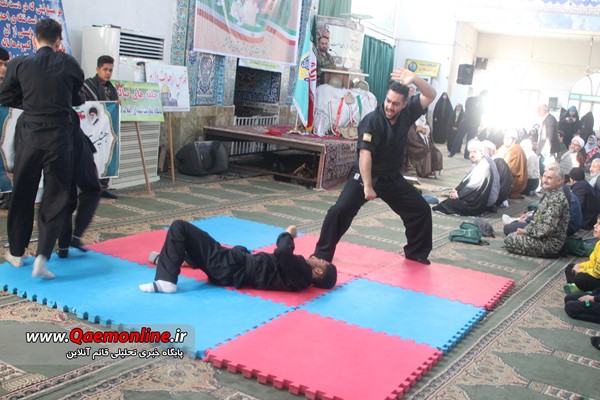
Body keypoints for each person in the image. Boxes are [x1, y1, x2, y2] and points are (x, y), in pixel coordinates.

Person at [312, 68, 437, 265]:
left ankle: (416, 254)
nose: (390, 106)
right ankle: (321, 255)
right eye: (388, 101)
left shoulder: (408, 113)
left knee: (420, 210)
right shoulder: (372, 121)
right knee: (340, 211)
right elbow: (365, 154)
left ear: (405, 104)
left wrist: (415, 78)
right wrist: (368, 186)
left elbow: (430, 94)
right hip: (365, 176)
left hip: (391, 177)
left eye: (395, 104)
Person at [0, 19, 84, 278]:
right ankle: (45, 255)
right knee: (56, 195)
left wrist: (30, 102)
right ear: (59, 42)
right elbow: (76, 97)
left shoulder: (20, 64)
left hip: (31, 137)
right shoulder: (70, 64)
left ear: (33, 39)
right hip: (59, 139)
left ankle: (16, 253)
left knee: (23, 192)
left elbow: (5, 96)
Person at [139, 221, 337, 293]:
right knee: (200, 240)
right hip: (231, 267)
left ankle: (166, 280)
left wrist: (288, 234)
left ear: (318, 271)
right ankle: (171, 259)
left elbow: (283, 252)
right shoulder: (300, 279)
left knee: (179, 227)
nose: (317, 257)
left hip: (230, 266)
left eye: (321, 261)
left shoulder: (302, 272)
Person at [56, 108, 102, 257]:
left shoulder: (36, 107)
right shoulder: (64, 102)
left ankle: (63, 247)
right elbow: (78, 98)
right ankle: (75, 238)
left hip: (57, 151)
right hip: (77, 150)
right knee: (92, 192)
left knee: (65, 199)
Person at [503, 163, 569, 258]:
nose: (545, 180)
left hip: (549, 243)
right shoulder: (550, 194)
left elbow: (546, 229)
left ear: (559, 181)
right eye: (544, 177)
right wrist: (526, 230)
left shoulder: (557, 200)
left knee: (510, 240)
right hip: (540, 236)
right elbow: (537, 220)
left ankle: (548, 254)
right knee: (512, 235)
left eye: (549, 178)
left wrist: (526, 232)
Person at [81, 55, 118, 199]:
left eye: (111, 70)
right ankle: (87, 189)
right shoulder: (87, 86)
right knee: (89, 159)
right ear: (98, 69)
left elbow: (111, 108)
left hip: (105, 131)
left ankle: (102, 188)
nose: (108, 73)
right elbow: (83, 105)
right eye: (105, 69)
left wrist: (116, 105)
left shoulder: (111, 89)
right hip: (89, 130)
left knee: (105, 156)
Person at [433, 140, 493, 216]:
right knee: (447, 202)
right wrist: (456, 190)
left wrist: (458, 195)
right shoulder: (479, 164)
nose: (472, 155)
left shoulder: (484, 167)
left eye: (475, 152)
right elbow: (466, 181)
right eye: (470, 152)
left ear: (482, 153)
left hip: (474, 204)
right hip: (471, 199)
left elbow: (472, 187)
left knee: (447, 204)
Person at [563, 215, 600, 294]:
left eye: (599, 224)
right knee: (570, 268)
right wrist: (580, 266)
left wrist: (581, 271)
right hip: (594, 274)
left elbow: (597, 273)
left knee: (580, 278)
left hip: (598, 277)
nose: (595, 226)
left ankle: (582, 290)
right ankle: (578, 288)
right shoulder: (598, 244)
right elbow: (592, 262)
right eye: (596, 223)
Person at [448, 93, 482, 158]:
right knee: (459, 138)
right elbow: (469, 109)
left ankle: (465, 154)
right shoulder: (472, 100)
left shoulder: (476, 101)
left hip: (471, 123)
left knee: (468, 140)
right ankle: (453, 153)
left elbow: (482, 112)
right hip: (468, 122)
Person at [496, 129, 527, 199]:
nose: (505, 140)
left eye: (508, 138)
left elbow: (512, 170)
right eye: (504, 137)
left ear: (514, 140)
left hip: (515, 179)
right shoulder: (503, 147)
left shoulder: (517, 149)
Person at [536, 104, 560, 176]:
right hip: (544, 149)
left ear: (544, 111)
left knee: (545, 169)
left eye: (539, 110)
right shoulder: (547, 119)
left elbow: (550, 136)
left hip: (547, 150)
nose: (538, 112)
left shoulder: (549, 119)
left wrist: (548, 151)